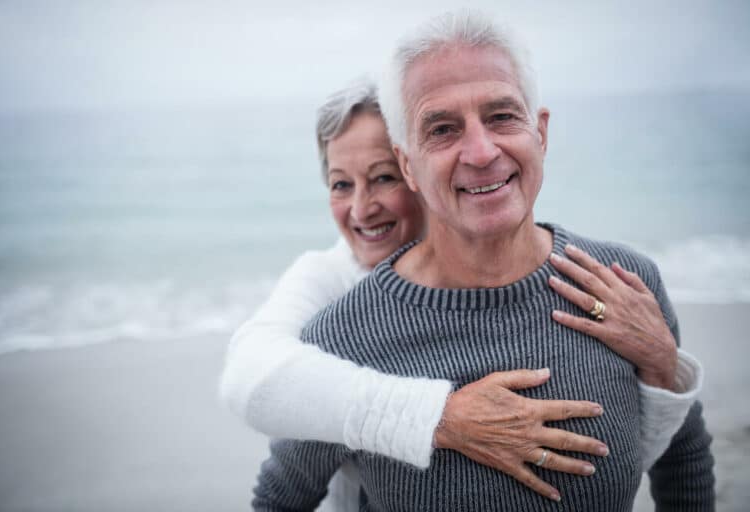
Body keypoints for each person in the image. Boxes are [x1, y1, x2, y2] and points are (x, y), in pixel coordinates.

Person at [249, 11, 714, 511]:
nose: (480, 150)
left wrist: (666, 367)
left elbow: (682, 456)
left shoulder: (625, 287)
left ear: (540, 132)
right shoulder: (345, 337)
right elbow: (279, 499)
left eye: (501, 116)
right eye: (443, 128)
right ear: (408, 163)